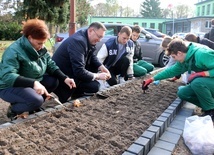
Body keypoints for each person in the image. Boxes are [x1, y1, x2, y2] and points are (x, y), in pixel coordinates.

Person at [0, 18, 76, 120]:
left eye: (44, 43)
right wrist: (34, 83)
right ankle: (14, 109)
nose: (42, 46)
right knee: (36, 100)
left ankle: (32, 108)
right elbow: (8, 76)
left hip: (29, 81)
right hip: (8, 86)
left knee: (53, 81)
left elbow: (50, 65)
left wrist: (65, 78)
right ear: (30, 38)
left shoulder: (40, 49)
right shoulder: (14, 51)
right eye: (39, 43)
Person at [143, 38, 214, 120]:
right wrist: (152, 79)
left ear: (179, 53)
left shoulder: (201, 54)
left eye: (173, 57)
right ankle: (208, 107)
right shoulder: (185, 59)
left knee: (197, 82)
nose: (174, 59)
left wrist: (202, 74)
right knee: (183, 93)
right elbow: (170, 71)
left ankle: (211, 111)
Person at [52, 22, 111, 102]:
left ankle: (76, 93)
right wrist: (98, 76)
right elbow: (79, 71)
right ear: (91, 30)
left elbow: (92, 55)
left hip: (72, 72)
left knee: (94, 77)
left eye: (101, 37)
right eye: (99, 36)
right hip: (63, 76)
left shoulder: (86, 37)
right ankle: (72, 93)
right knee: (94, 86)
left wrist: (101, 67)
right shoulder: (78, 41)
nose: (99, 40)